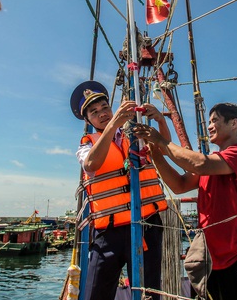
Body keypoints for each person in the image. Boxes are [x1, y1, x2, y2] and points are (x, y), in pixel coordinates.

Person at [134, 102, 237, 300]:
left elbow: (200, 164)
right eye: (209, 121)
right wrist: (156, 155)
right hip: (207, 261)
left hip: (236, 258)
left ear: (234, 123)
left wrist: (159, 140)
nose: (209, 126)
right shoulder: (211, 161)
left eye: (215, 120)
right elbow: (179, 185)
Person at [70, 80, 171, 300]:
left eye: (105, 107)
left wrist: (161, 121)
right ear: (88, 120)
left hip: (147, 224)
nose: (102, 114)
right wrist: (114, 124)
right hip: (109, 231)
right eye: (94, 112)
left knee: (148, 292)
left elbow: (163, 147)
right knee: (95, 292)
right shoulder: (87, 145)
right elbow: (91, 165)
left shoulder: (134, 135)